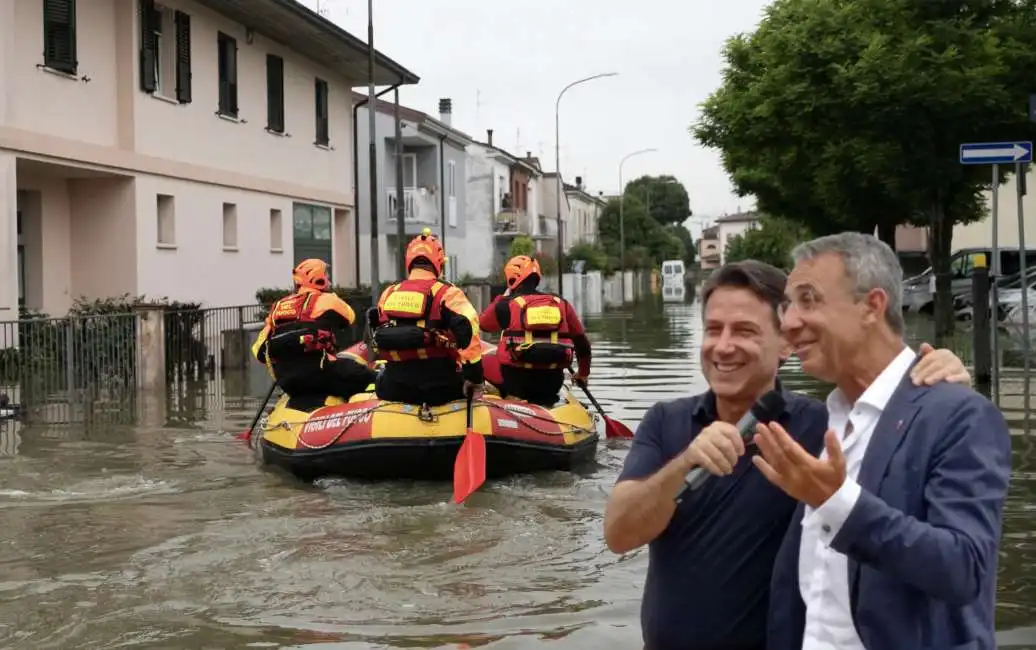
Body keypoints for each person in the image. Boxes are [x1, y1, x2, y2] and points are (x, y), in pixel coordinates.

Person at [602, 259, 973, 650]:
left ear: (787, 344)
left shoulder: (825, 429)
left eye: (744, 331)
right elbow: (619, 534)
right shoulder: (665, 422)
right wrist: (685, 464)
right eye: (713, 330)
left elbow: (913, 514)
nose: (723, 346)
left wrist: (943, 394)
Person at [752, 233, 1010, 650]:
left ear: (872, 306)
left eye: (808, 299)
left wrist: (838, 503)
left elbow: (965, 570)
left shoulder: (960, 415)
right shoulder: (822, 420)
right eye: (787, 305)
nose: (789, 321)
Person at [370, 228, 484, 406]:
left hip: (394, 387)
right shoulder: (448, 293)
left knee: (380, 379)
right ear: (439, 262)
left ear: (409, 261)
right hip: (440, 388)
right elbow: (469, 331)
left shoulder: (389, 293)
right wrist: (475, 378)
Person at [251, 259, 377, 404]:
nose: (328, 278)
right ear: (317, 278)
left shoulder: (277, 308)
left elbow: (258, 351)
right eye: (326, 274)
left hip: (288, 383)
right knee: (360, 372)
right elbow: (351, 318)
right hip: (319, 376)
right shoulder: (327, 300)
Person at [478, 255, 592, 406]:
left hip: (517, 385)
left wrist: (503, 297)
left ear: (511, 278)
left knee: (480, 359)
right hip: (552, 384)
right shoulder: (561, 304)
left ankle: (504, 399)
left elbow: (484, 324)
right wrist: (583, 374)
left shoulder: (506, 304)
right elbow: (582, 344)